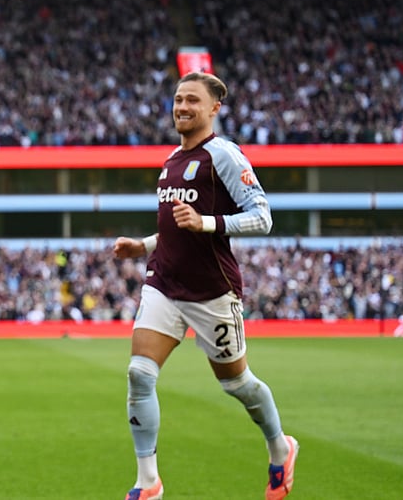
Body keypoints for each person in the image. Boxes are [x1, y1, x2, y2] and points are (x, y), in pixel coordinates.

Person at [112, 72, 299, 500]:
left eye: (192, 100)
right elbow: (177, 229)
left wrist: (208, 222)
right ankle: (149, 482)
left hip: (212, 291)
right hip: (164, 283)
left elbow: (263, 216)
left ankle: (279, 446)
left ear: (214, 108)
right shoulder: (172, 159)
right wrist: (142, 246)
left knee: (238, 385)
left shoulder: (225, 156)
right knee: (139, 374)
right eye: (178, 99)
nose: (182, 107)